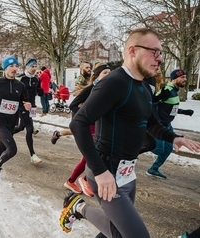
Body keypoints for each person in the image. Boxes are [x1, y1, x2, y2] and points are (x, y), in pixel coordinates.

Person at [59, 28, 200, 237]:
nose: (159, 59)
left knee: (117, 233)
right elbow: (78, 123)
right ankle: (78, 207)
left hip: (126, 172)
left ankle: (77, 208)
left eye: (161, 53)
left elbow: (150, 121)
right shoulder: (114, 82)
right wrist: (99, 171)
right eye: (154, 52)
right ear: (132, 51)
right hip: (106, 171)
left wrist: (174, 137)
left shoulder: (143, 87)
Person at [60, 63, 111, 197]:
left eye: (110, 73)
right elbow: (73, 105)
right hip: (89, 126)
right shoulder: (91, 89)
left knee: (97, 153)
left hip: (101, 126)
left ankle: (74, 180)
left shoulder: (108, 90)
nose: (108, 75)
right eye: (105, 73)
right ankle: (81, 179)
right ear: (97, 76)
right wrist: (85, 115)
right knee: (92, 153)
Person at [146, 69, 194, 179]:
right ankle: (137, 143)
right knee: (158, 149)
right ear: (174, 79)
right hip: (159, 126)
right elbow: (152, 105)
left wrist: (184, 112)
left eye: (185, 77)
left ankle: (153, 169)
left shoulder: (174, 90)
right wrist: (157, 122)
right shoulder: (166, 90)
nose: (185, 80)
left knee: (167, 149)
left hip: (167, 125)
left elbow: (170, 108)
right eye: (182, 77)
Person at [14, 58, 42, 165]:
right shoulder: (21, 78)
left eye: (35, 66)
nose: (34, 69)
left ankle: (6, 134)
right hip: (22, 106)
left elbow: (37, 91)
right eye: (32, 67)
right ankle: (33, 155)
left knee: (21, 127)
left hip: (32, 107)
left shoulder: (36, 79)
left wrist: (41, 91)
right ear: (27, 67)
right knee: (29, 128)